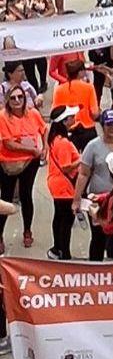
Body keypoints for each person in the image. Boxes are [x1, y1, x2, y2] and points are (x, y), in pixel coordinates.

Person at [0, 81, 46, 252]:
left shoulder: (32, 113)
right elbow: (9, 144)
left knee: (27, 196)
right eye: (13, 98)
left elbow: (44, 129)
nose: (17, 100)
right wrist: (33, 149)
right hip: (7, 164)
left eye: (20, 97)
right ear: (8, 101)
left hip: (29, 163)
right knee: (5, 197)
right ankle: (0, 235)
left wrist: (45, 148)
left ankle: (27, 230)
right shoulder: (3, 117)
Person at [46, 105, 80, 261]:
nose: (74, 118)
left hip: (56, 183)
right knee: (66, 221)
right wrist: (81, 160)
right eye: (71, 117)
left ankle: (57, 247)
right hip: (64, 186)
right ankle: (64, 254)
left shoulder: (55, 139)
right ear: (65, 121)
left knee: (59, 217)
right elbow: (66, 166)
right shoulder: (64, 143)